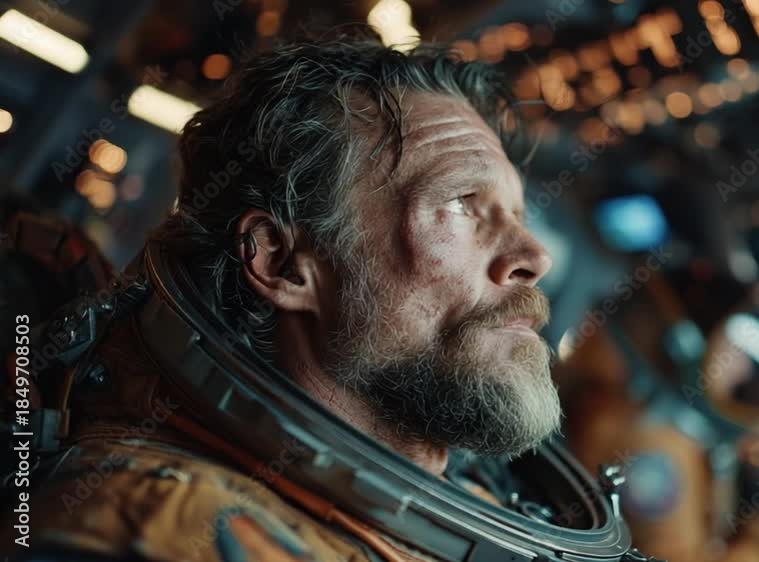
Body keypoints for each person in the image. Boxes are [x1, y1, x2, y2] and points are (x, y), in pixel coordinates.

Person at [4, 29, 573, 562]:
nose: (534, 256)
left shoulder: (478, 496)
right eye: (462, 202)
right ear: (280, 262)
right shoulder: (157, 529)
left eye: (518, 215)